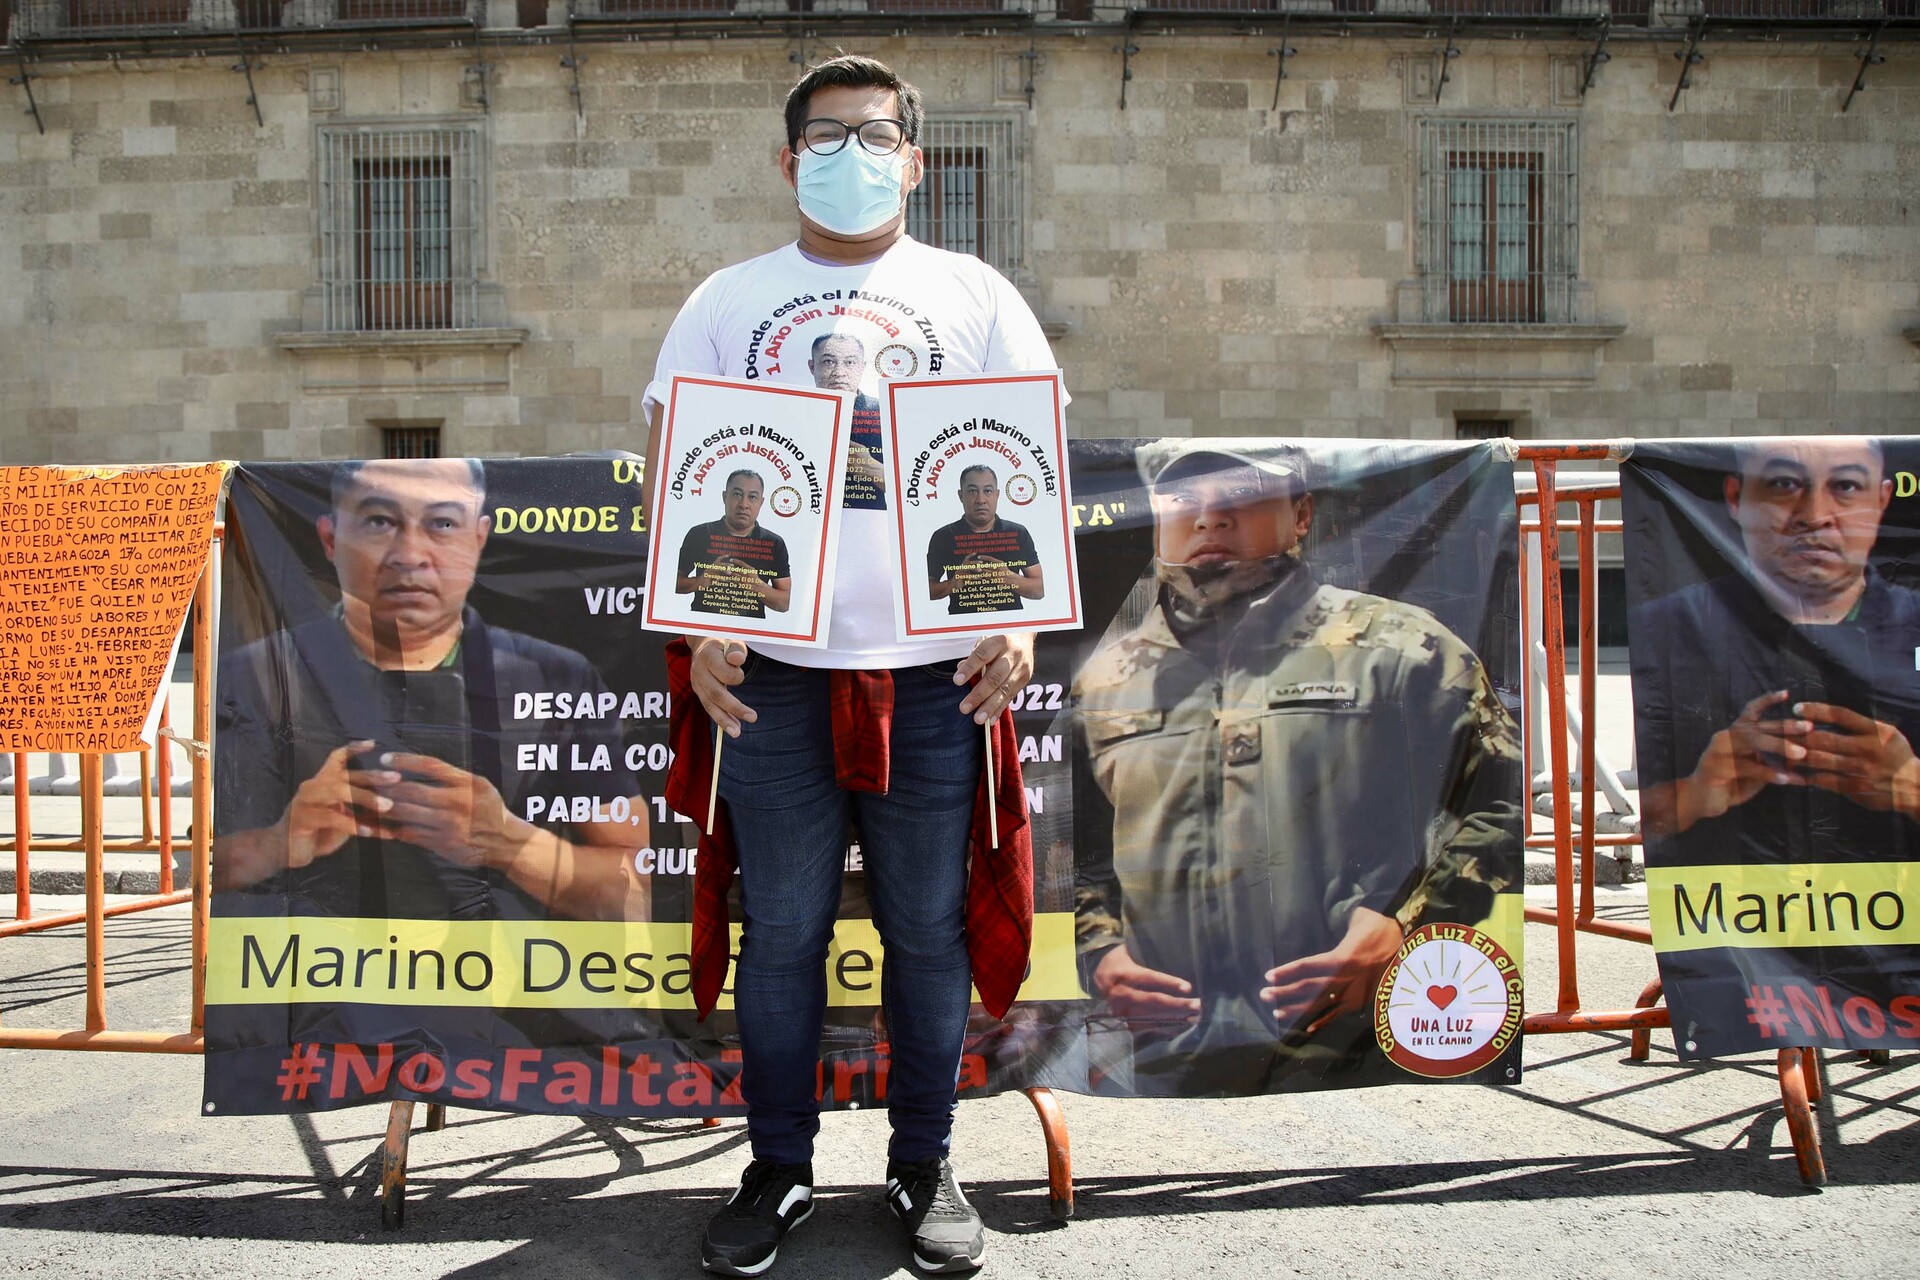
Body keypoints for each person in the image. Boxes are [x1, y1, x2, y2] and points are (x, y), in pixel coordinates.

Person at [642, 54, 1063, 1277]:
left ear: (914, 161)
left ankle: (925, 1160)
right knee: (782, 931)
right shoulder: (727, 299)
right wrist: (697, 622)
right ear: (788, 160)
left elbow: (1031, 459)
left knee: (927, 929)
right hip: (772, 673)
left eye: (875, 135)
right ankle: (777, 1166)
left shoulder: (975, 294)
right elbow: (671, 460)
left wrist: (1022, 620)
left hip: (938, 675)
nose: (850, 155)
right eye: (826, 136)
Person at [1071, 442, 1523, 1096]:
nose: (1209, 517)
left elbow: (1500, 798)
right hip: (1163, 1045)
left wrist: (1406, 923)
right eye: (1184, 499)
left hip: (1351, 1034)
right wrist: (1099, 950)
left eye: (1240, 495)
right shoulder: (1106, 679)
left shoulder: (1402, 648)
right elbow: (1074, 845)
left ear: (1301, 515)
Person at [214, 457, 651, 924]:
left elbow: (637, 891)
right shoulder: (260, 672)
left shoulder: (554, 676)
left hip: (504, 965)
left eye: (442, 523)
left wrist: (506, 841)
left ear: (478, 538)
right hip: (325, 963)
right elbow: (202, 869)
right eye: (379, 521)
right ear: (330, 538)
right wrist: (279, 843)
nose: (410, 555)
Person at [1634, 437, 1920, 860]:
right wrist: (1693, 794)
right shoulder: (1665, 626)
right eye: (1784, 484)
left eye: (1845, 486)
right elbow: (1626, 815)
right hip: (1735, 894)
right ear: (1736, 497)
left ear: (1882, 499)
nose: (1814, 516)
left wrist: (1911, 786)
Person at [925, 465, 1044, 615]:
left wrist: (1008, 578)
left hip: (1010, 621)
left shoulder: (1018, 533)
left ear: (997, 494)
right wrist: (953, 583)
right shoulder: (943, 536)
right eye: (972, 491)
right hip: (961, 623)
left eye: (987, 491)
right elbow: (924, 591)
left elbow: (1039, 589)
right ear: (961, 496)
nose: (981, 500)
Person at [675, 469, 794, 617]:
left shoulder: (774, 543)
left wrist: (756, 586)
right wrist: (699, 581)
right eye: (737, 494)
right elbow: (671, 583)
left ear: (761, 502)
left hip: (750, 628)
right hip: (703, 623)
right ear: (725, 497)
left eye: (752, 497)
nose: (744, 504)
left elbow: (785, 603)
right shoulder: (699, 534)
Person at [809, 332, 887, 510]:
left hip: (870, 521)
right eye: (828, 362)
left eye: (850, 362)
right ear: (812, 366)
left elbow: (914, 486)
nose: (839, 373)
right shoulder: (792, 413)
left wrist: (868, 466)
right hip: (806, 518)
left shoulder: (886, 413)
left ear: (862, 367)